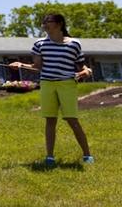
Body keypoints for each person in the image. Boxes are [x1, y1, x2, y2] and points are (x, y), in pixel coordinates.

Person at [9, 13, 94, 166]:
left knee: (72, 119)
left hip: (66, 84)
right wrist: (20, 65)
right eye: (44, 22)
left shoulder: (74, 43)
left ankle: (87, 155)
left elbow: (81, 66)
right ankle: (50, 157)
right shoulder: (40, 44)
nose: (44, 25)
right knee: (50, 119)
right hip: (47, 83)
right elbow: (37, 67)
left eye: (48, 22)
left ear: (59, 23)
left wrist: (85, 72)